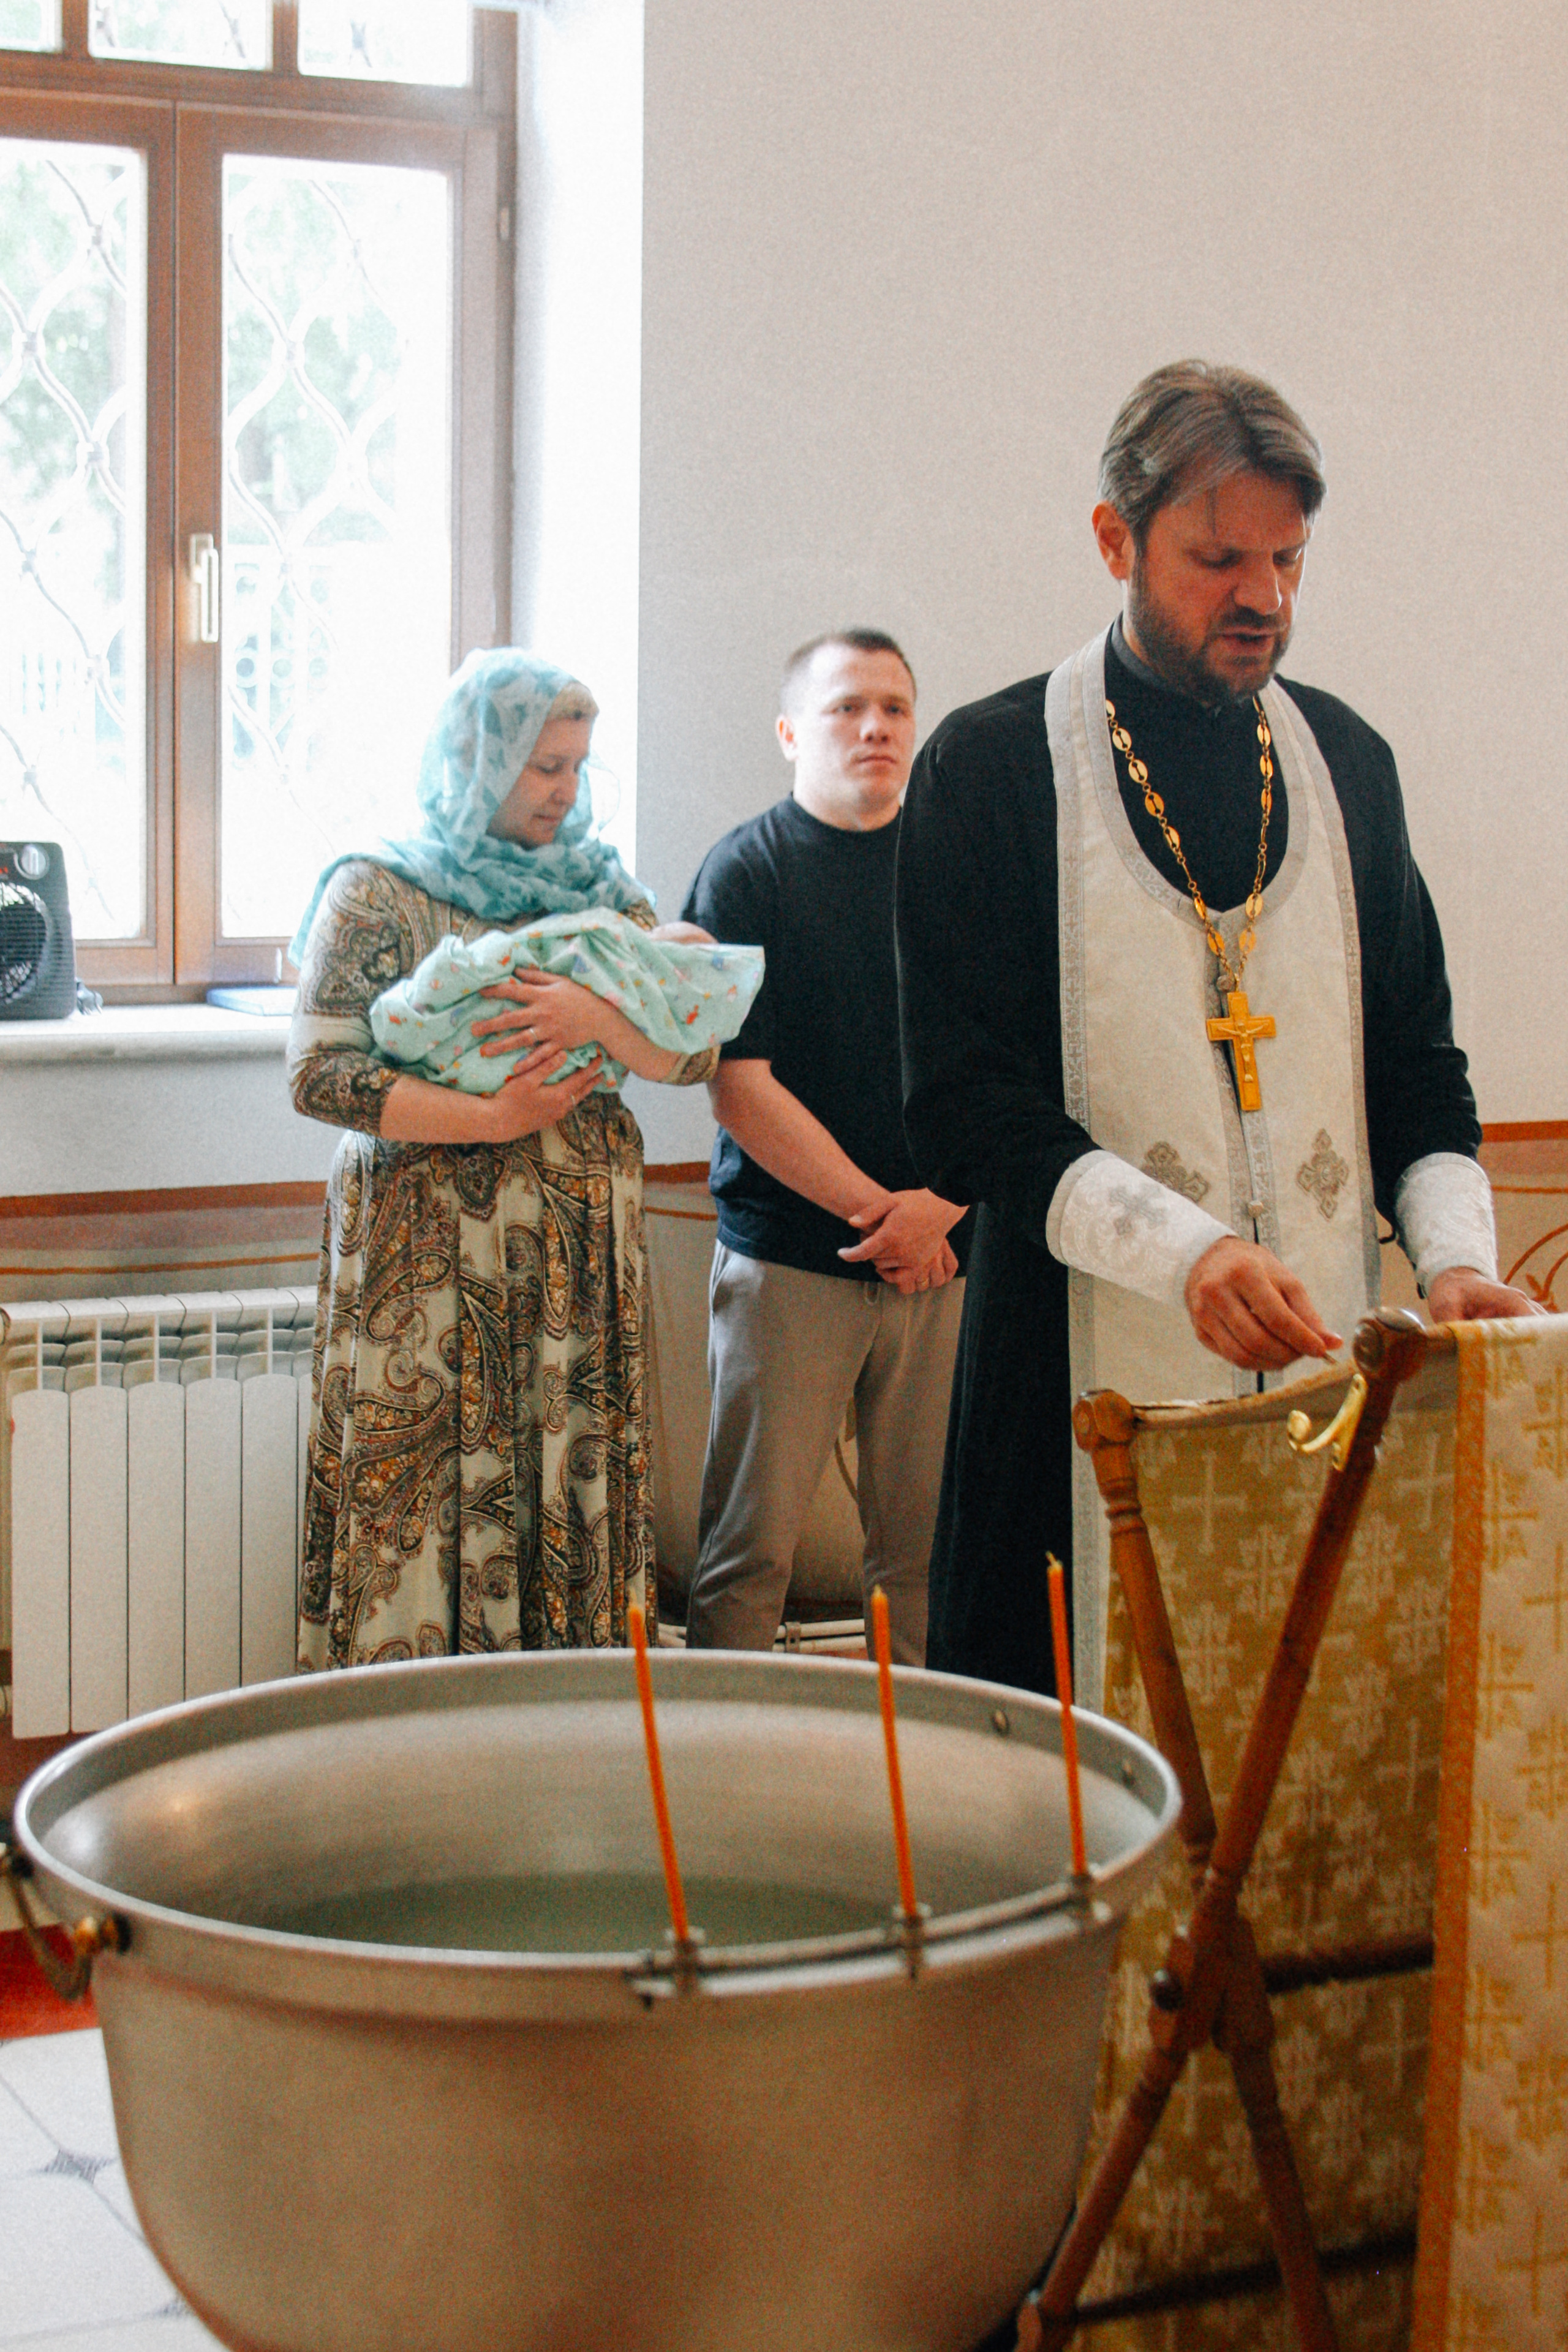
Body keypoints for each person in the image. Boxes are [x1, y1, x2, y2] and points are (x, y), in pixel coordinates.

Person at [895, 361, 1538, 1702]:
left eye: (1287, 561)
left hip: (1319, 1387)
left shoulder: (1344, 762)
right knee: (1070, 1801)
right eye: (1215, 558)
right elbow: (963, 1102)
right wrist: (1183, 1253)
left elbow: (1418, 1071)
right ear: (1112, 539)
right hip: (1065, 1391)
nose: (1262, 598)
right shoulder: (994, 764)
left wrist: (1454, 1262)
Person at [287, 649, 718, 1667]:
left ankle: (569, 1765)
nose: (565, 792)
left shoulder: (607, 894)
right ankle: (405, 1751)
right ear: (475, 761)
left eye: (576, 767)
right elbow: (317, 1072)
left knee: (564, 1483)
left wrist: (597, 1014)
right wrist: (494, 1116)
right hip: (424, 1271)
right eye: (542, 767)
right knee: (422, 1495)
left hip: (572, 1267)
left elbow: (695, 1050)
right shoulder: (377, 887)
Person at [679, 630, 969, 1664]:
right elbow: (740, 1088)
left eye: (895, 706)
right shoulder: (745, 873)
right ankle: (719, 1785)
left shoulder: (957, 868)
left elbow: (1009, 1063)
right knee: (749, 1555)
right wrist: (882, 1216)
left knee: (929, 1553)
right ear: (793, 729)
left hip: (944, 1254)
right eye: (848, 706)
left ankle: (916, 1778)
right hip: (791, 1260)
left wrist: (942, 1204)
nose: (877, 726)